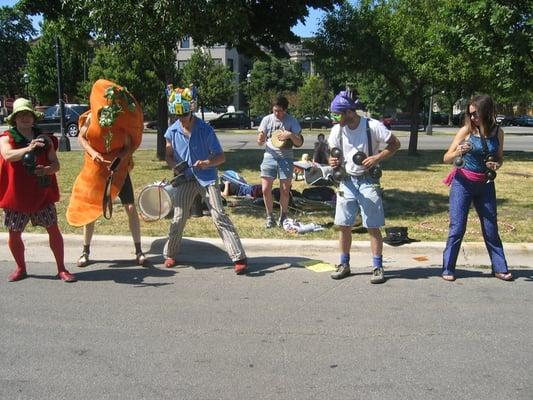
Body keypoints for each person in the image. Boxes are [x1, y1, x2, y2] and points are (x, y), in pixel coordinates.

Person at [163, 85, 247, 274]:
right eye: (177, 116)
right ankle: (170, 253)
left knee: (219, 215)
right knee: (178, 217)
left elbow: (221, 157)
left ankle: (239, 257)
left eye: (184, 115)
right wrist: (173, 166)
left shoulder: (205, 129)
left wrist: (207, 163)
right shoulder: (172, 131)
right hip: (185, 178)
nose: (181, 119)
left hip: (207, 178)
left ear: (190, 111)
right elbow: (168, 155)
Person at [66, 79, 146, 268]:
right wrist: (94, 154)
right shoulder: (91, 118)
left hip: (119, 170)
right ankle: (85, 251)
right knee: (90, 209)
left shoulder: (122, 123)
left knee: (130, 208)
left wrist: (118, 161)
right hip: (95, 169)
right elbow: (82, 138)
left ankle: (139, 250)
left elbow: (128, 147)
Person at [327, 91, 400, 284]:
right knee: (344, 225)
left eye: (337, 114)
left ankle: (377, 266)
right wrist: (332, 160)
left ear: (350, 112)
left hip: (368, 181)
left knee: (373, 225)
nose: (335, 118)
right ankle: (344, 263)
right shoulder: (337, 130)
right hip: (347, 181)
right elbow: (331, 153)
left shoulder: (373, 126)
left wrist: (377, 157)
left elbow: (395, 144)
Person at [0, 98, 76, 282]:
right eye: (21, 115)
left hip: (41, 193)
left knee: (53, 229)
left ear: (34, 118)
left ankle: (61, 269)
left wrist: (47, 170)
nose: (25, 118)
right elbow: (8, 155)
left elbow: (55, 164)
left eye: (28, 115)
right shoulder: (6, 137)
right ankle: (21, 268)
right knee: (14, 232)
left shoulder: (46, 139)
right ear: (14, 119)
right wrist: (29, 147)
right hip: (17, 194)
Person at [441, 94, 512, 282]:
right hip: (462, 183)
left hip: (485, 185)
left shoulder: (498, 133)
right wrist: (459, 151)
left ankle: (499, 268)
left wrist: (496, 164)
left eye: (476, 114)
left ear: (487, 112)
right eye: (470, 114)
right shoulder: (466, 131)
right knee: (457, 227)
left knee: (490, 228)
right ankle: (448, 268)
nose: (473, 118)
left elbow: (500, 158)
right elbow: (446, 158)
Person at [257, 96, 303, 228]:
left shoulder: (291, 121)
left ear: (285, 110)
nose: (277, 114)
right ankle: (270, 216)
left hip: (286, 157)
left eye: (280, 111)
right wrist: (260, 138)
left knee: (284, 189)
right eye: (275, 110)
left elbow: (299, 142)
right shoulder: (267, 120)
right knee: (265, 189)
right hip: (269, 155)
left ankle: (283, 216)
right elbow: (260, 142)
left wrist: (290, 135)